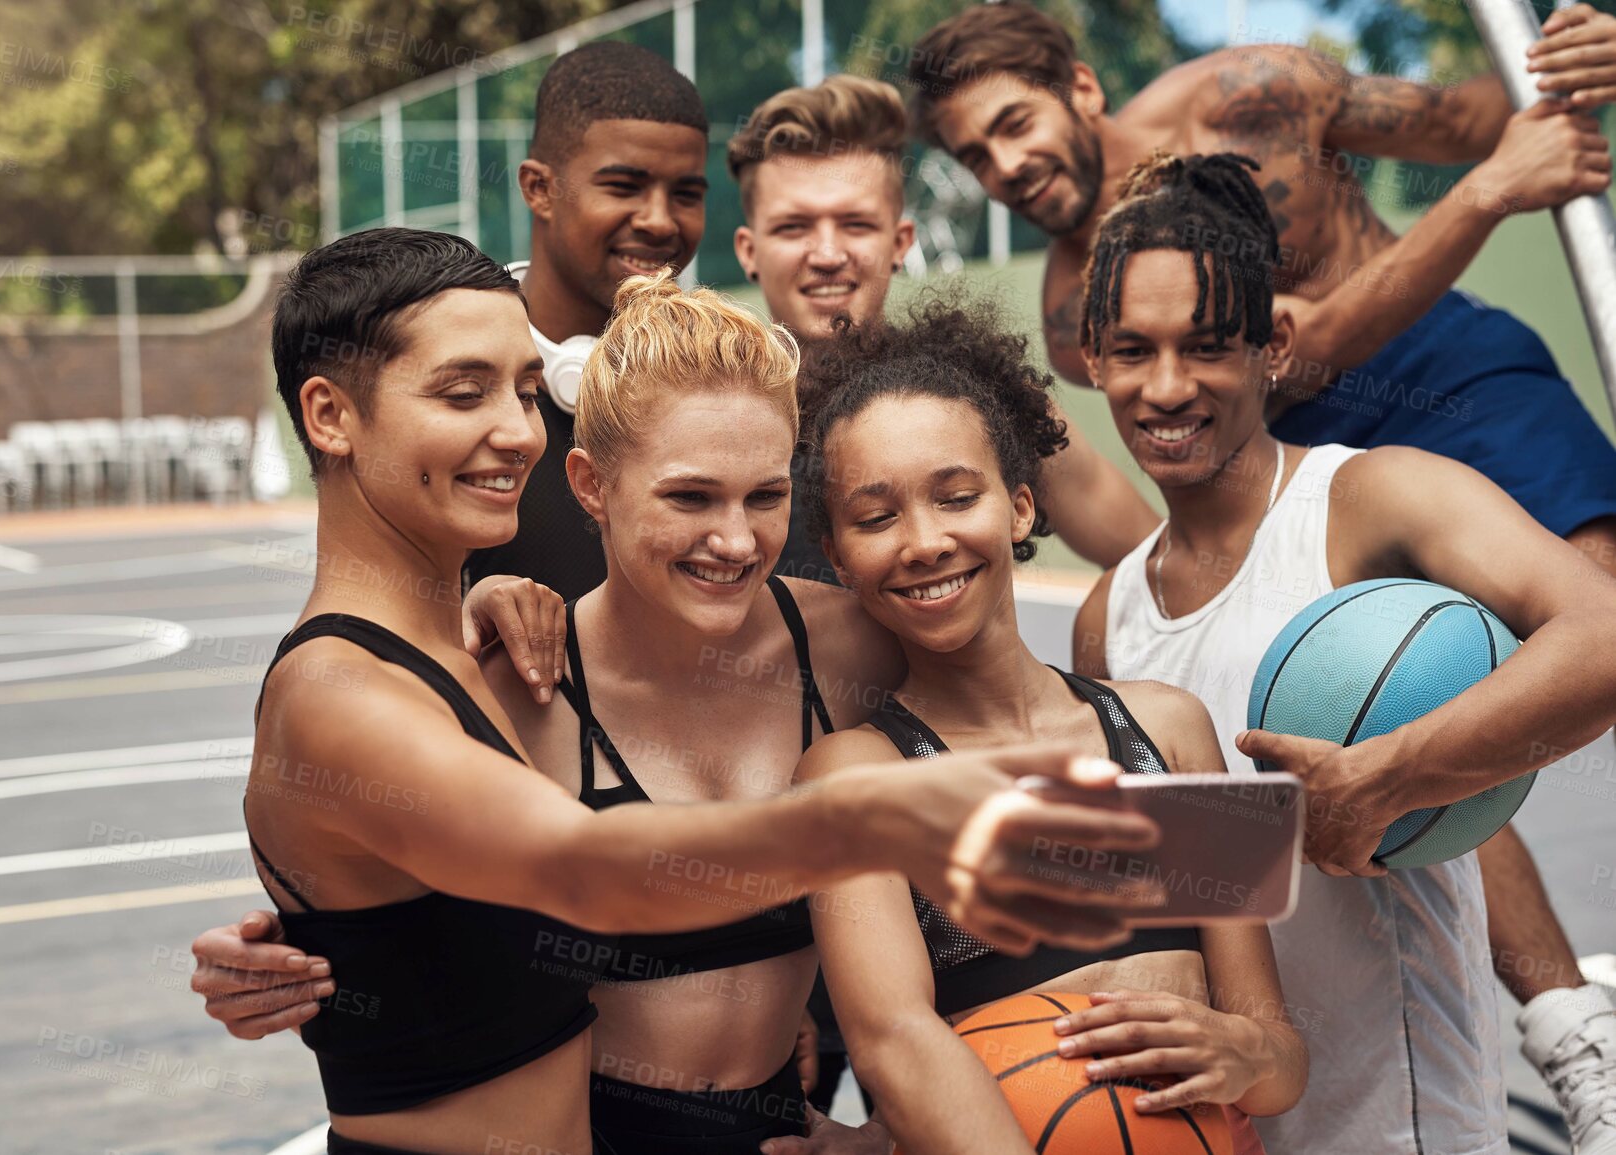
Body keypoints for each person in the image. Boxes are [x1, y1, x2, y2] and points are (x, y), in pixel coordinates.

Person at [211, 230, 1172, 1155]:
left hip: (767, 1125)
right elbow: (552, 867)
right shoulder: (510, 680)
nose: (735, 538)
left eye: (764, 496)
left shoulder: (835, 650)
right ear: (592, 486)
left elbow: (1051, 751)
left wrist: (919, 1120)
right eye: (688, 497)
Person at [909, 0, 1616, 1119]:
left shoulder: (1250, 99)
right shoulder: (1068, 316)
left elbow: (1485, 118)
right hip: (1262, 435)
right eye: (970, 154)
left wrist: (1579, 70)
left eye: (1012, 124)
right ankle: (1555, 1020)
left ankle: (1573, 1032)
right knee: (1369, 710)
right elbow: (1273, 368)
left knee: (1579, 611)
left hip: (1432, 362)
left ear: (1082, 90)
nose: (1002, 165)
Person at [1068, 153, 1616, 1155]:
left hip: (1407, 1120)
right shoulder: (1109, 619)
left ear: (1275, 345)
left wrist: (1383, 778)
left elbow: (1604, 634)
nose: (1167, 386)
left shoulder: (1372, 497)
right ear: (1092, 358)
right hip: (1223, 1124)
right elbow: (1177, 899)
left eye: (1206, 347)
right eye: (1133, 351)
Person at [766, 292, 1306, 1155]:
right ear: (835, 555)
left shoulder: (1170, 732)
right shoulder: (852, 776)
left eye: (956, 496)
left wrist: (1242, 1050)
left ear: (1019, 508)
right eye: (875, 517)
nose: (924, 541)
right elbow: (892, 1042)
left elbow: (1279, 1058)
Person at [726, 73, 1160, 580]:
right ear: (748, 252)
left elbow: (1153, 561)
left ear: (901, 241)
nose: (826, 254)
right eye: (793, 227)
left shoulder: (981, 388)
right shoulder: (709, 411)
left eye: (857, 224)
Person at [464, 39, 710, 604]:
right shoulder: (447, 378)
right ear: (539, 188)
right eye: (623, 187)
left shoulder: (715, 381)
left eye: (686, 194)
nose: (658, 220)